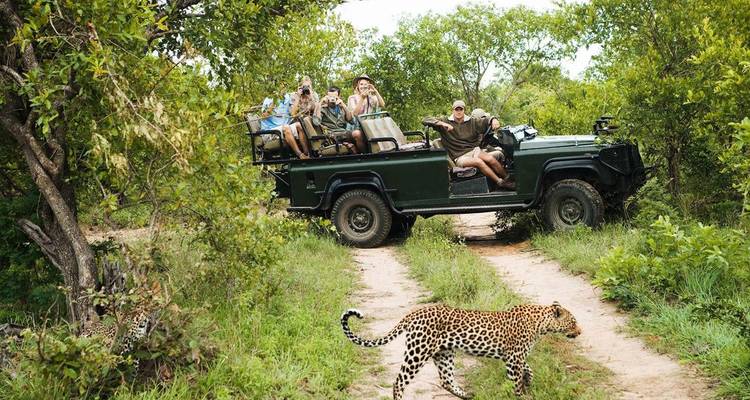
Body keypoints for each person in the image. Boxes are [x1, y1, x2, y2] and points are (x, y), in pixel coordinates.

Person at [423, 100, 515, 190]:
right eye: (456, 109)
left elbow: (485, 121)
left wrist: (493, 120)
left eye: (461, 109)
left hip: (473, 150)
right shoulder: (445, 121)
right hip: (459, 157)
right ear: (453, 110)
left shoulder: (472, 122)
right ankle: (500, 182)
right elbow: (425, 119)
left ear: (464, 110)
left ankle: (509, 179)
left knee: (490, 158)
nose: (458, 112)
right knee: (478, 162)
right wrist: (442, 124)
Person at [259, 90, 310, 159]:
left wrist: (298, 97)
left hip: (283, 129)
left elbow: (293, 114)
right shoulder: (268, 99)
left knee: (299, 125)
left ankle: (306, 154)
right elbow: (263, 117)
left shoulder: (287, 98)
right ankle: (300, 155)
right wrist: (274, 101)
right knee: (286, 127)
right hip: (270, 131)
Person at [313, 86, 363, 153]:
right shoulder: (323, 108)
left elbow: (352, 121)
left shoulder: (341, 107)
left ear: (339, 97)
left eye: (335, 97)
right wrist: (321, 102)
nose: (332, 99)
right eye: (330, 97)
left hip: (343, 133)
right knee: (357, 133)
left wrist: (344, 106)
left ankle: (364, 154)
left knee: (361, 133)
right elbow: (316, 122)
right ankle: (363, 155)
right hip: (331, 135)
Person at [347, 74, 385, 152]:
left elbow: (382, 104)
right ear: (357, 86)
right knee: (357, 134)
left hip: (370, 126)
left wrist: (375, 91)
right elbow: (355, 113)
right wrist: (362, 98)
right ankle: (364, 154)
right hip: (356, 127)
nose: (363, 86)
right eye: (361, 84)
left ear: (369, 86)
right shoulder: (352, 98)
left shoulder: (371, 98)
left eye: (365, 84)